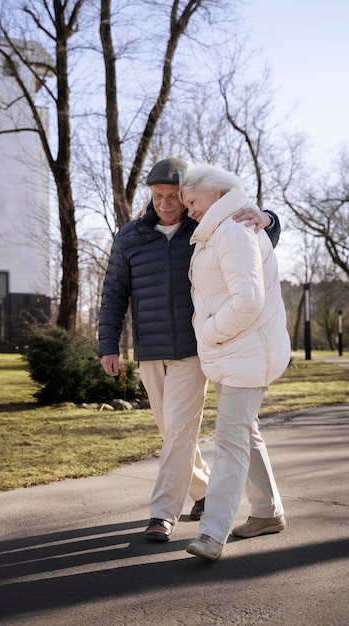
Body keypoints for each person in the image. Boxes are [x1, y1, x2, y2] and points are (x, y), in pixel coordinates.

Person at [98, 157, 281, 543]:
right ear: (150, 196)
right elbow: (114, 293)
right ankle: (210, 493)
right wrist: (108, 344)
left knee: (180, 431)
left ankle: (162, 514)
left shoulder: (203, 230)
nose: (166, 203)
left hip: (194, 348)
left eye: (173, 197)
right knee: (172, 431)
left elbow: (251, 245)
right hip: (149, 347)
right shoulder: (131, 236)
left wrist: (268, 217)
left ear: (186, 197)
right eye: (158, 196)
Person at [178, 163, 291, 561]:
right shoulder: (218, 231)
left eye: (191, 201)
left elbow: (248, 301)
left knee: (229, 440)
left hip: (245, 352)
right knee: (246, 433)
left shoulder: (232, 230)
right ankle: (267, 513)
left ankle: (212, 533)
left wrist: (207, 333)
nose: (188, 209)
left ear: (214, 192)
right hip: (234, 352)